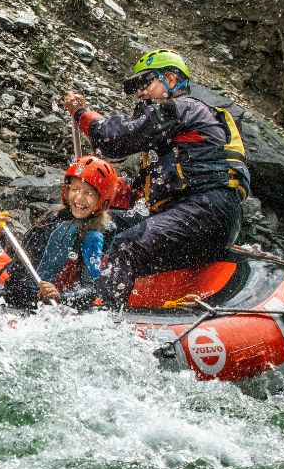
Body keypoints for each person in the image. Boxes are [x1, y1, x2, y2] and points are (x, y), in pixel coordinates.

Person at [66, 48, 251, 308]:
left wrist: (81, 114)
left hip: (209, 212)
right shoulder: (168, 141)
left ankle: (102, 315)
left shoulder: (185, 109)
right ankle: (84, 288)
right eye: (135, 87)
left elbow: (113, 140)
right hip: (187, 215)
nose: (139, 92)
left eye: (145, 83)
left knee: (127, 245)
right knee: (103, 227)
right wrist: (98, 192)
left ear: (171, 81)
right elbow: (142, 194)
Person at [0, 156, 119, 310]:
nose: (79, 198)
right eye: (75, 189)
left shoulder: (93, 236)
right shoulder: (54, 218)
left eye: (88, 193)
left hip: (48, 309)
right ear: (66, 190)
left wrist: (60, 296)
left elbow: (91, 289)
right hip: (20, 295)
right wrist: (2, 235)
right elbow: (26, 261)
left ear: (102, 200)